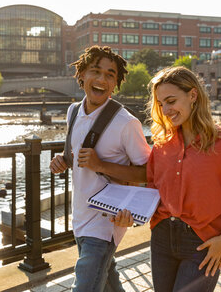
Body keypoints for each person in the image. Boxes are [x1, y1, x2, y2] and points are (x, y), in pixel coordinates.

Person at [115, 66, 221, 291]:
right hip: (162, 239)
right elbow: (153, 195)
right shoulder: (161, 146)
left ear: (193, 95)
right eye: (161, 104)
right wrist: (130, 216)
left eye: (171, 101)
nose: (165, 110)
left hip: (202, 243)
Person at [49, 45, 151, 292]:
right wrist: (62, 161)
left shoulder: (127, 123)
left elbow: (148, 173)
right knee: (107, 282)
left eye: (110, 74)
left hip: (107, 221)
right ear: (81, 74)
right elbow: (78, 158)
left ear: (116, 83)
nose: (102, 79)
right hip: (81, 215)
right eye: (96, 71)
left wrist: (100, 165)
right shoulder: (73, 111)